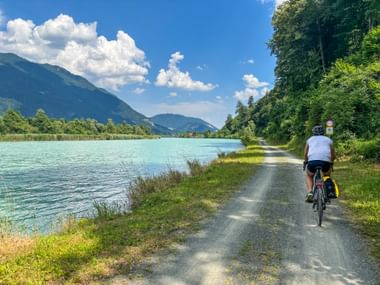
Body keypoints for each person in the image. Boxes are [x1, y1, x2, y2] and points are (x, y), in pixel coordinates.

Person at [304, 125, 336, 202]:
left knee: (309, 175)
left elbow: (305, 153)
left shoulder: (310, 140)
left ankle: (310, 192)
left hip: (312, 162)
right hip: (325, 162)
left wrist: (306, 161)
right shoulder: (329, 140)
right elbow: (333, 155)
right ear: (323, 132)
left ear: (313, 132)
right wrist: (331, 162)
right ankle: (328, 191)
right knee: (327, 176)